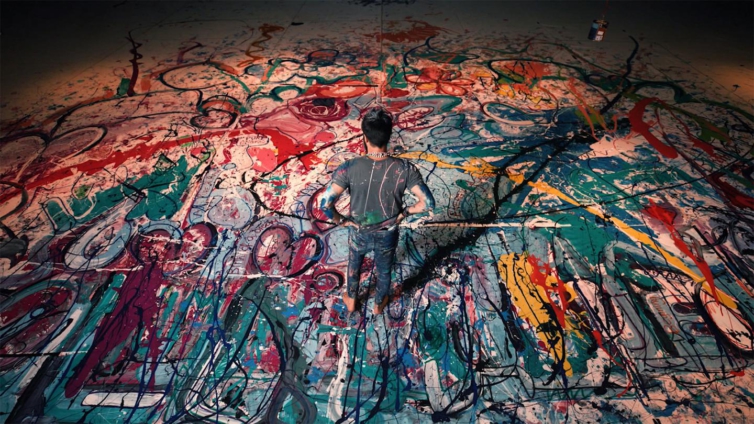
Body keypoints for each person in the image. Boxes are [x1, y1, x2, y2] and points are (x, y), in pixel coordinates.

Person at [320, 107, 435, 314]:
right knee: (384, 270)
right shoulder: (405, 168)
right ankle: (379, 303)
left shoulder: (348, 168)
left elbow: (325, 204)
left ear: (364, 137)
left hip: (359, 231)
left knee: (354, 265)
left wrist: (341, 220)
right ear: (389, 136)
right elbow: (427, 203)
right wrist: (404, 214)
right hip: (387, 233)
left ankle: (352, 299)